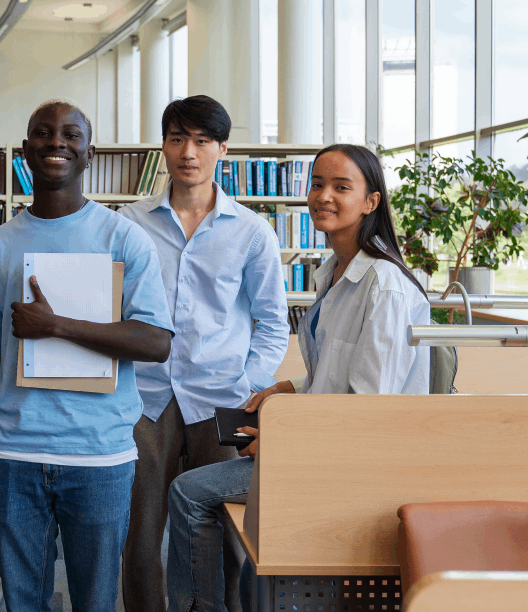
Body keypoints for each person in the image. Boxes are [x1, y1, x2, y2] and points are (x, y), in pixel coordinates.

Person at [165, 143, 431, 612]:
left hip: (352, 463)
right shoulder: (332, 271)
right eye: (317, 184)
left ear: (371, 201)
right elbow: (338, 375)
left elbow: (372, 410)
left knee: (189, 493)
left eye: (341, 187)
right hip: (323, 447)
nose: (322, 196)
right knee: (250, 548)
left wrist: (281, 445)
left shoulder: (384, 287)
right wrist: (290, 388)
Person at [0, 99, 176, 612]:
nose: (57, 142)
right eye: (43, 133)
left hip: (99, 456)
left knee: (95, 602)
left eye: (71, 135)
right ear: (26, 150)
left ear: (88, 153)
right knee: (22, 602)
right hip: (14, 456)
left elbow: (156, 343)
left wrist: (55, 326)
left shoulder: (124, 239)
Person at [118, 95, 290, 612]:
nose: (187, 152)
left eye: (201, 141)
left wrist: (249, 386)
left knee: (223, 529)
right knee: (141, 532)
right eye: (176, 139)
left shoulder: (252, 231)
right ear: (164, 147)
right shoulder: (129, 224)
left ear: (222, 149)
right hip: (145, 397)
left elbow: (272, 321)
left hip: (223, 398)